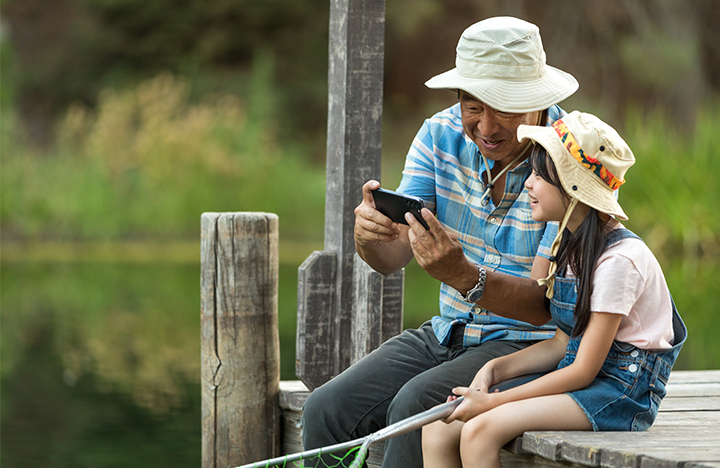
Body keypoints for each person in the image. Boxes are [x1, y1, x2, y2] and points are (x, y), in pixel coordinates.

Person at [302, 16, 579, 467]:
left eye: (504, 108)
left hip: (529, 349)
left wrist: (465, 277)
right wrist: (370, 238)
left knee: (415, 407)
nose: (486, 127)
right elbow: (391, 258)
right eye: (474, 106)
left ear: (537, 101)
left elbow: (544, 307)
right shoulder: (438, 133)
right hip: (449, 331)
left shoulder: (573, 155)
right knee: (325, 409)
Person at [421, 111, 687, 468]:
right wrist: (495, 370)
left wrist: (494, 402)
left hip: (621, 392)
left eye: (539, 176)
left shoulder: (618, 261)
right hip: (586, 376)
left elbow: (582, 371)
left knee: (480, 430)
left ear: (573, 187)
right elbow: (563, 343)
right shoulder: (570, 246)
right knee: (439, 427)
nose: (527, 184)